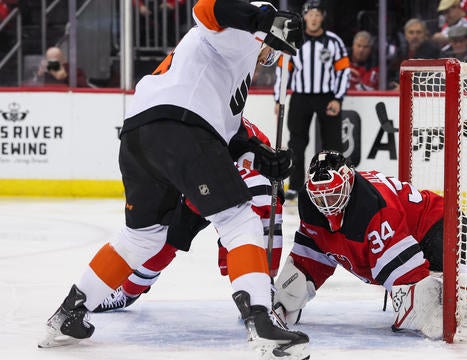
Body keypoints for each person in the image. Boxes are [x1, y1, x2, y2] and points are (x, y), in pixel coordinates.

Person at [39, 1, 310, 359]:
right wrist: (264, 17)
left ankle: (69, 312)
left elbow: (227, 136)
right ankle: (261, 323)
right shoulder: (239, 36)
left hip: (139, 134)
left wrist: (261, 155)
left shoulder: (223, 68)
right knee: (238, 219)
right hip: (181, 128)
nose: (271, 54)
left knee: (142, 236)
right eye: (273, 44)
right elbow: (206, 7)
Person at [271, 150, 467, 338]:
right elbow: (309, 262)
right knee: (291, 290)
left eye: (333, 195)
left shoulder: (373, 208)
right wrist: (285, 298)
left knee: (442, 301)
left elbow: (410, 285)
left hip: (436, 226)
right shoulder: (311, 206)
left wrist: (416, 299)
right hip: (405, 229)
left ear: (348, 182)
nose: (327, 204)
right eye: (320, 197)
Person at [93, 118, 285, 311]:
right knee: (172, 237)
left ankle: (259, 299)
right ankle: (128, 291)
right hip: (205, 182)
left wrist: (266, 275)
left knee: (249, 240)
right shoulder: (196, 121)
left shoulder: (213, 122)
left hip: (239, 189)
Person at [274, 0, 350, 201]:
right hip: (301, 98)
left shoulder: (334, 42)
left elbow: (343, 72)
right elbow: (283, 71)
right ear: (304, 16)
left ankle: (332, 184)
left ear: (322, 17)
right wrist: (278, 98)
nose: (314, 18)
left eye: (317, 14)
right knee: (296, 144)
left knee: (332, 144)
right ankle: (296, 186)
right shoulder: (294, 40)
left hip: (327, 98)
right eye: (310, 14)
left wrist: (338, 98)